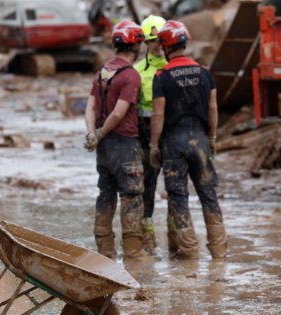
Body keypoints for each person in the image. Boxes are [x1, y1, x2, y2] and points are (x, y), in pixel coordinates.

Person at [149, 20, 228, 260]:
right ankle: (219, 251)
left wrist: (154, 145)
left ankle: (190, 253)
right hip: (201, 142)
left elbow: (158, 114)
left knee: (178, 196)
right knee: (208, 194)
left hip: (174, 145)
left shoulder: (162, 76)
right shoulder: (204, 71)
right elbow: (213, 108)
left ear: (166, 45)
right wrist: (212, 138)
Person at [83, 20, 150, 261]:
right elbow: (120, 112)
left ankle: (105, 254)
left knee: (105, 195)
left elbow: (90, 107)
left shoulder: (101, 72)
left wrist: (93, 134)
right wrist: (99, 134)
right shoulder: (130, 75)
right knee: (131, 197)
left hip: (104, 149)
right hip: (124, 145)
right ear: (136, 46)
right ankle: (133, 253)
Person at [133, 15, 176, 256]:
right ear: (145, 43)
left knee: (175, 188)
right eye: (152, 41)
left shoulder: (175, 69)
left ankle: (175, 242)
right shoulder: (137, 71)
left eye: (160, 40)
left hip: (172, 137)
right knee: (146, 189)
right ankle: (147, 243)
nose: (157, 45)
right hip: (145, 138)